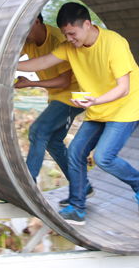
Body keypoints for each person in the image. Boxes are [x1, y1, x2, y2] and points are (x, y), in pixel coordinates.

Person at [17, 3, 139, 225]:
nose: (69, 39)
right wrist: (10, 65)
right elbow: (42, 62)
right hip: (98, 109)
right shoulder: (69, 47)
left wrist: (95, 100)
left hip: (124, 109)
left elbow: (123, 88)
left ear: (87, 24)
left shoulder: (114, 43)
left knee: (103, 157)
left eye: (72, 33)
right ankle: (77, 207)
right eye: (65, 34)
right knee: (75, 152)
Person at [15, 14, 86, 185]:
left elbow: (64, 82)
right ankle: (81, 185)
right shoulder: (29, 40)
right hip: (57, 97)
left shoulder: (58, 40)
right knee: (53, 142)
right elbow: (10, 57)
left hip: (73, 96)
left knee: (38, 131)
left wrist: (30, 83)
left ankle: (28, 182)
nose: (21, 35)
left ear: (36, 21)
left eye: (23, 28)